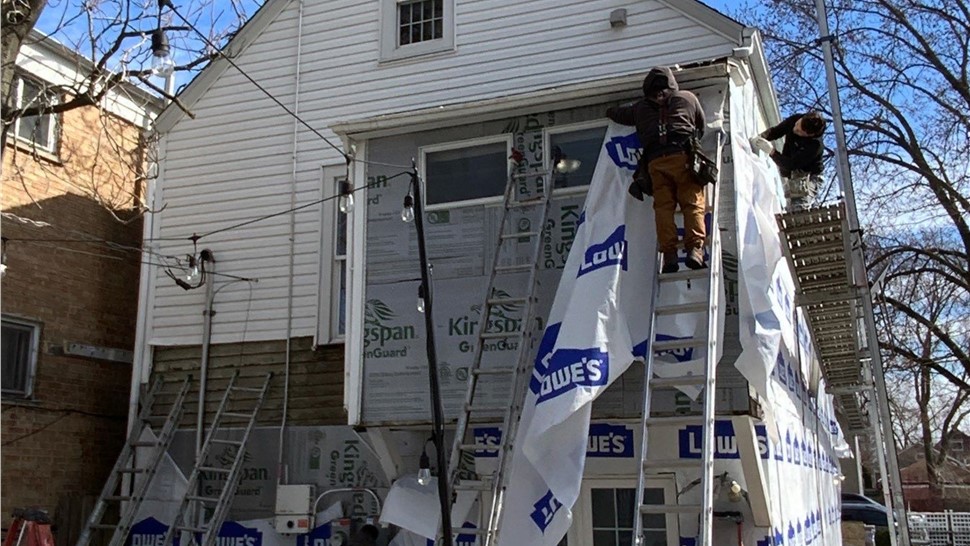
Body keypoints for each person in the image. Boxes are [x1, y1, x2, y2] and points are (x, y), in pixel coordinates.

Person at [606, 66, 707, 273]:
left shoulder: (640, 108)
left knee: (663, 208)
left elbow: (618, 114)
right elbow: (701, 127)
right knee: (692, 204)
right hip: (683, 158)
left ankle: (669, 255)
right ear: (671, 83)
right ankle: (695, 250)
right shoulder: (688, 98)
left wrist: (607, 109)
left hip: (655, 163)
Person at [750, 111, 826, 210]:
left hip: (810, 176)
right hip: (791, 171)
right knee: (790, 201)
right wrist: (760, 138)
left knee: (798, 206)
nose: (795, 129)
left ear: (810, 135)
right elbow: (776, 131)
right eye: (797, 124)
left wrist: (772, 151)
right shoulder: (796, 119)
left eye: (799, 132)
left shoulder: (815, 146)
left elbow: (791, 164)